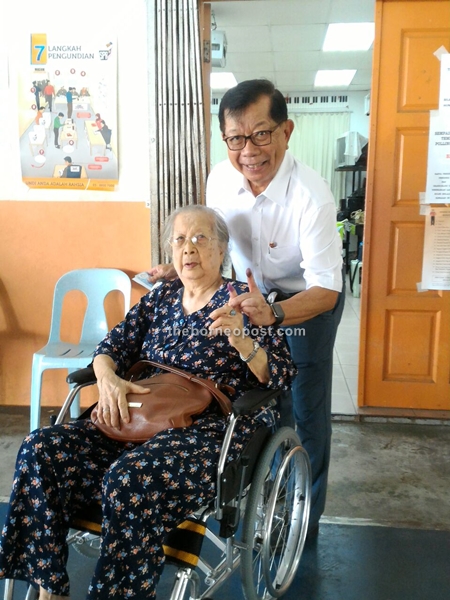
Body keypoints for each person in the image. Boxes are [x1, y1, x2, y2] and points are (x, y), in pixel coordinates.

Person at [0, 205, 296, 600]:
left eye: (200, 238)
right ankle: (47, 588)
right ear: (170, 251)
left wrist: (243, 343)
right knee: (40, 449)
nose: (188, 248)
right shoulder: (161, 299)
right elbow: (112, 347)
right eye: (179, 240)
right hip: (132, 411)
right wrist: (107, 380)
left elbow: (280, 375)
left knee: (128, 480)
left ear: (222, 248)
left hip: (201, 428)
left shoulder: (245, 302)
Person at [148, 79, 345, 538]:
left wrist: (275, 315)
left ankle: (301, 524)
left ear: (286, 131)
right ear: (225, 140)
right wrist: (181, 266)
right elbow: (211, 243)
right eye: (237, 138)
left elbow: (327, 291)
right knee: (256, 399)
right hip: (248, 297)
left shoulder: (311, 198)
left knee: (304, 410)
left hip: (304, 305)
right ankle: (256, 500)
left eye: (261, 134)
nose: (249, 151)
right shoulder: (221, 178)